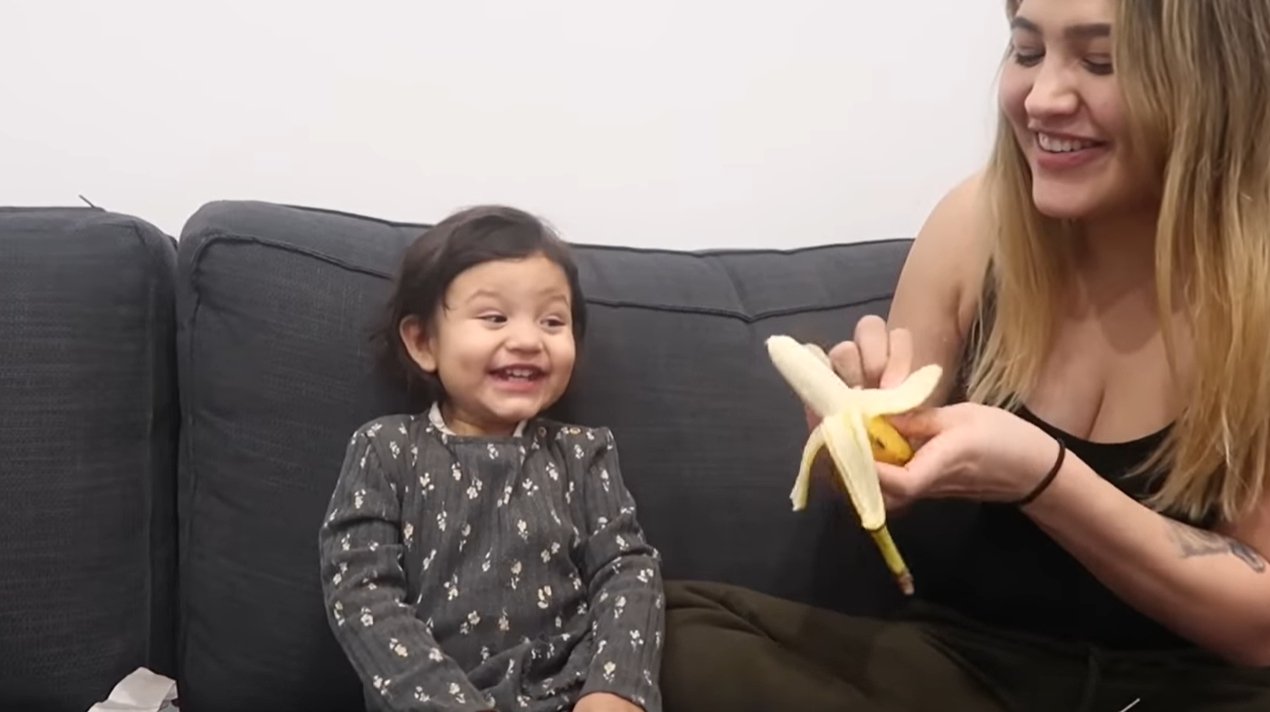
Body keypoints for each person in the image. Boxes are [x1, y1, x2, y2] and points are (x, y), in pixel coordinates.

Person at [660, 0, 1270, 710]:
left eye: (1100, 61)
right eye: (1027, 51)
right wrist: (856, 447)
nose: (1042, 99)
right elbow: (882, 501)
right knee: (668, 629)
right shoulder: (973, 226)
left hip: (1190, 688)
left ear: (1214, 83)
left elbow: (1259, 628)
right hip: (961, 668)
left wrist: (1042, 479)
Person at [319, 205, 664, 712]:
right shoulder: (386, 449)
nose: (527, 340)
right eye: (494, 317)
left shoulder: (582, 453)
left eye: (552, 320)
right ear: (422, 341)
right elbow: (362, 594)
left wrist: (615, 690)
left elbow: (627, 570)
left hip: (572, 695)